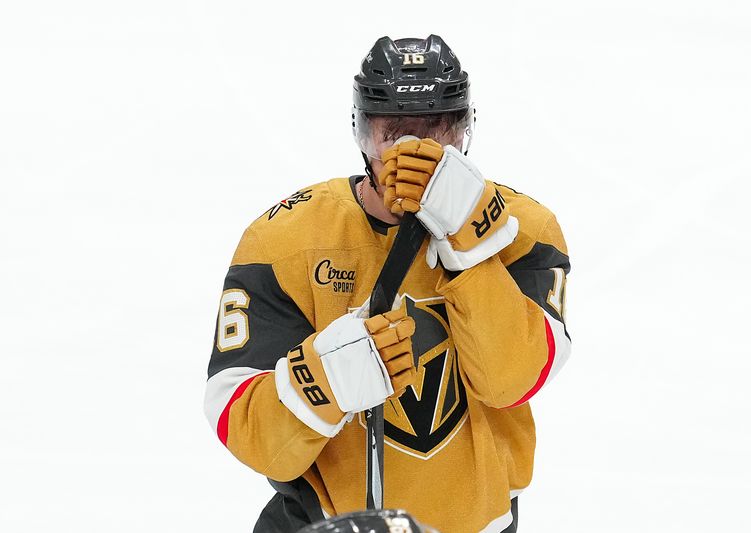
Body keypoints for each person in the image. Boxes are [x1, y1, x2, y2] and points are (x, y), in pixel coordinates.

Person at [204, 34, 572, 533]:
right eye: (395, 134)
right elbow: (248, 431)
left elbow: (512, 379)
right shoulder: (286, 240)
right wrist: (325, 380)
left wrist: (473, 249)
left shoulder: (520, 231)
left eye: (437, 132)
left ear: (464, 132)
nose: (414, 153)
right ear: (363, 135)